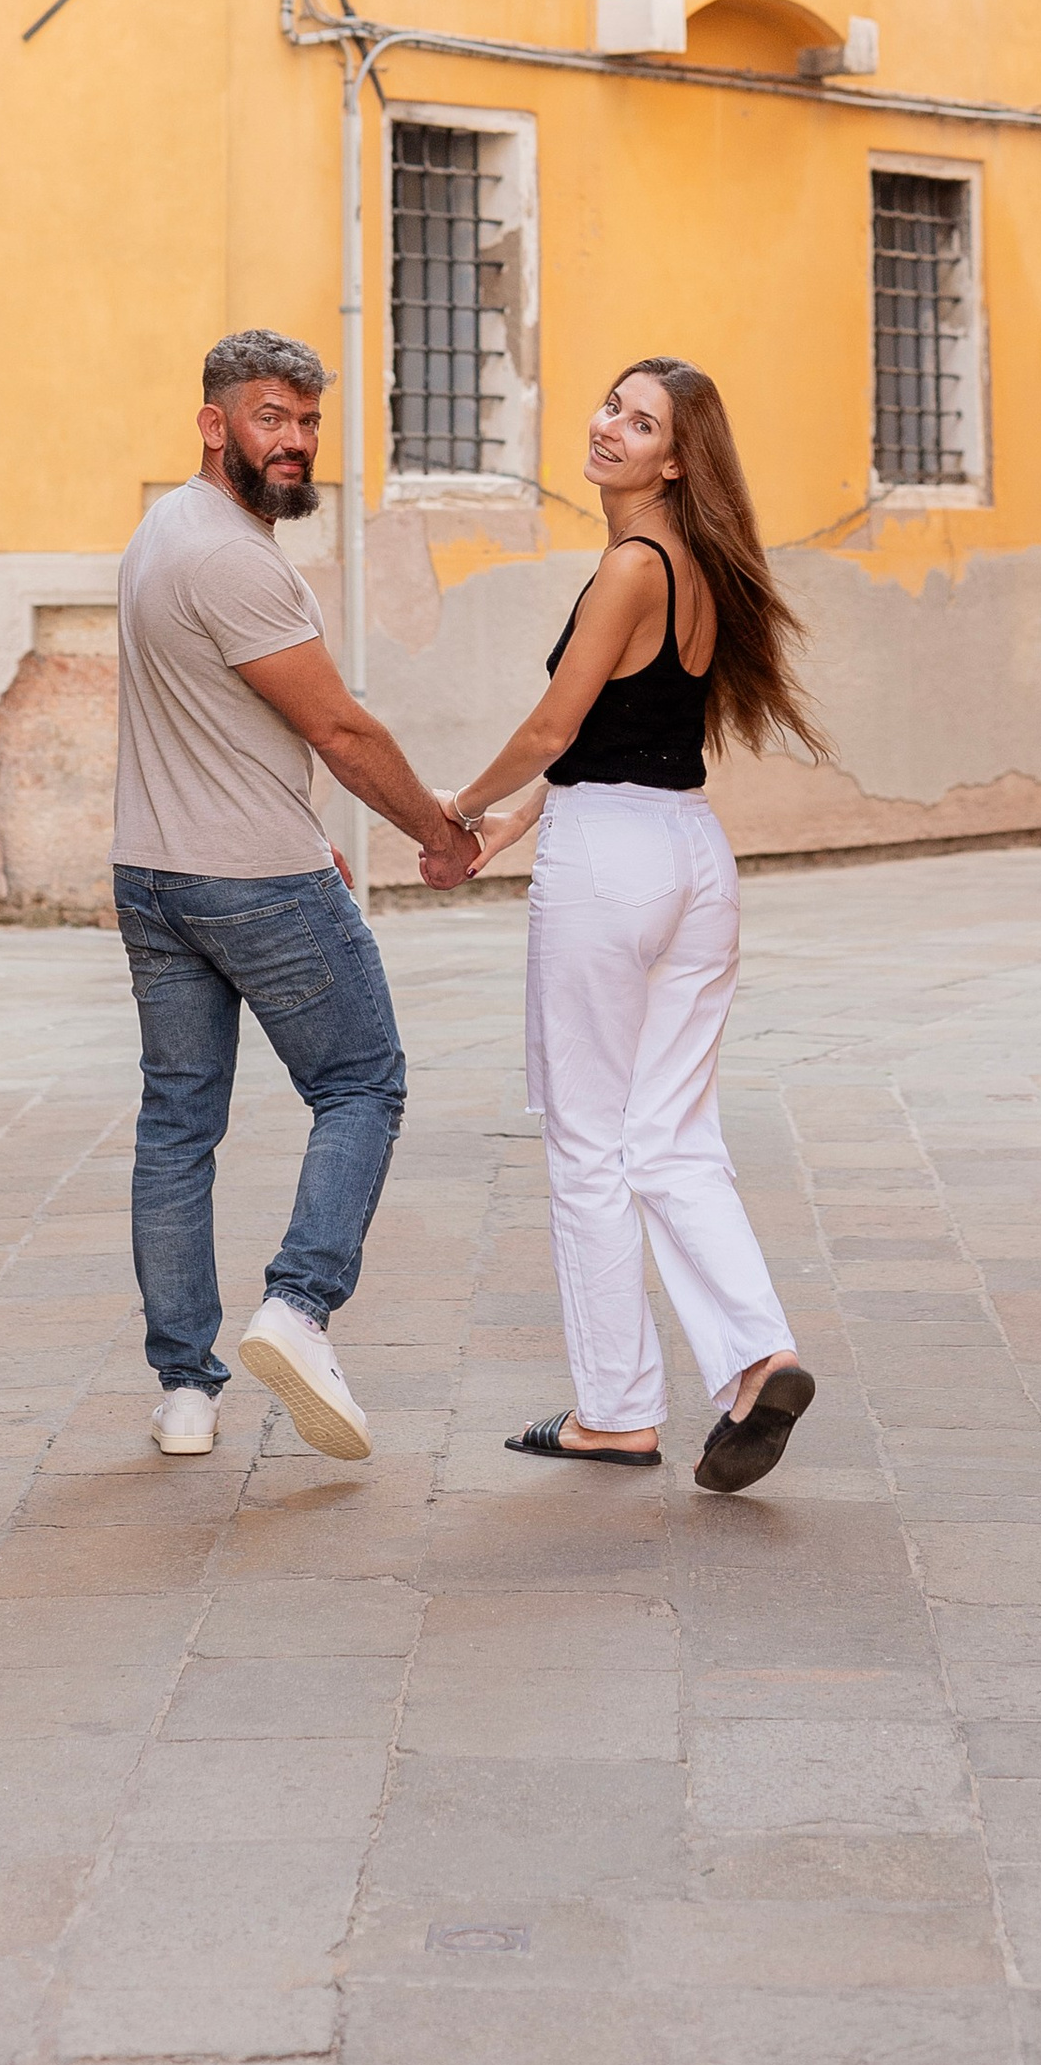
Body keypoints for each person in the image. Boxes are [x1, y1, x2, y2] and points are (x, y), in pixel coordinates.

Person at [421, 357, 823, 1494]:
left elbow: (555, 727)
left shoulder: (628, 566)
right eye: (612, 403)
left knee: (589, 1140)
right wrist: (502, 832)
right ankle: (756, 1355)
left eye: (641, 421)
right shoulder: (694, 567)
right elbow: (616, 736)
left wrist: (450, 807)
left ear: (676, 457)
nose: (610, 426)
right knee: (672, 1133)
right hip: (690, 851)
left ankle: (615, 1411)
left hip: (609, 864)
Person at [115, 328, 472, 1464]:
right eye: (272, 416)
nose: (296, 441)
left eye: (310, 421)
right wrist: (437, 830)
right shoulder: (235, 558)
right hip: (256, 876)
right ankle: (299, 1307)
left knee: (177, 1126)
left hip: (152, 873)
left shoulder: (159, 528)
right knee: (362, 1081)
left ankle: (183, 1390)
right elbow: (338, 726)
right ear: (214, 422)